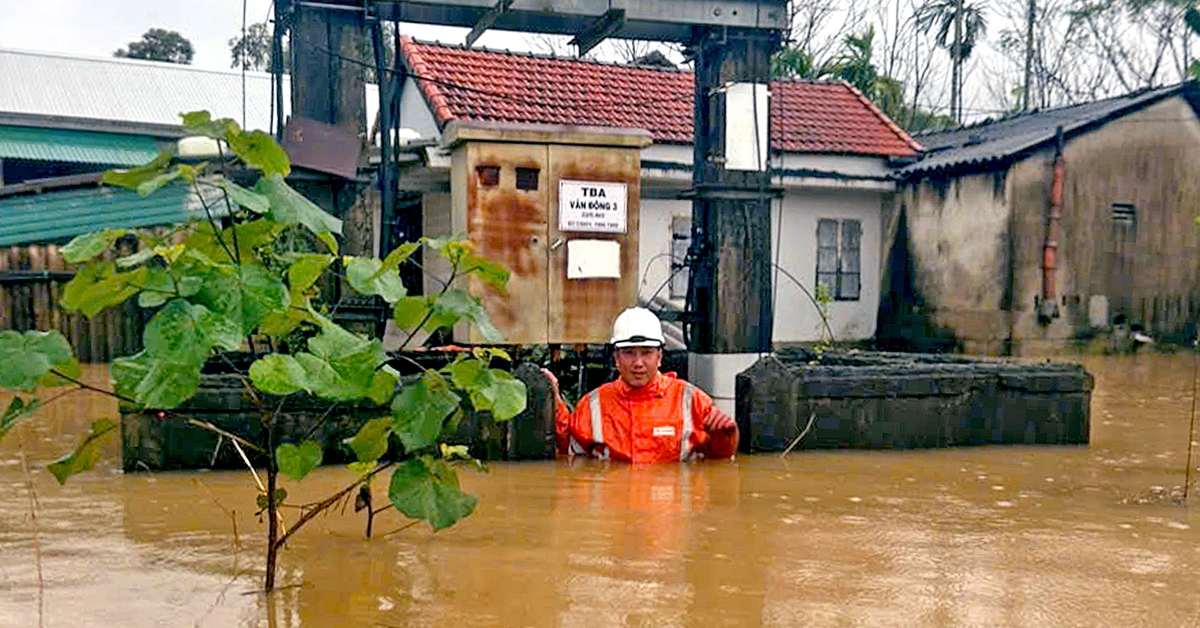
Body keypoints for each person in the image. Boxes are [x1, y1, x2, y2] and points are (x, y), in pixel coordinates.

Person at [542, 307, 739, 463]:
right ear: (616, 358)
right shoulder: (593, 404)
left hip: (670, 514)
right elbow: (567, 450)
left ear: (659, 357)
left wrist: (726, 438)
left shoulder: (692, 400)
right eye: (629, 352)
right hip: (617, 512)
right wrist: (555, 401)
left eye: (646, 352)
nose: (638, 362)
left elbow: (718, 462)